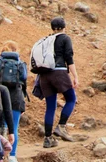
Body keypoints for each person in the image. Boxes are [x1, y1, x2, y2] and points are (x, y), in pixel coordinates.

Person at [38, 17, 79, 148]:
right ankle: (61, 126)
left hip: (44, 75)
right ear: (64, 27)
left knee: (50, 107)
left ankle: (47, 138)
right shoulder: (65, 38)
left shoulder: (46, 39)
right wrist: (75, 76)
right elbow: (69, 58)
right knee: (71, 98)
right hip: (59, 72)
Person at [0, 41, 27, 162]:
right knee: (14, 128)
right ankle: (12, 158)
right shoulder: (20, 64)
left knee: (0, 128)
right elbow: (24, 80)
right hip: (16, 98)